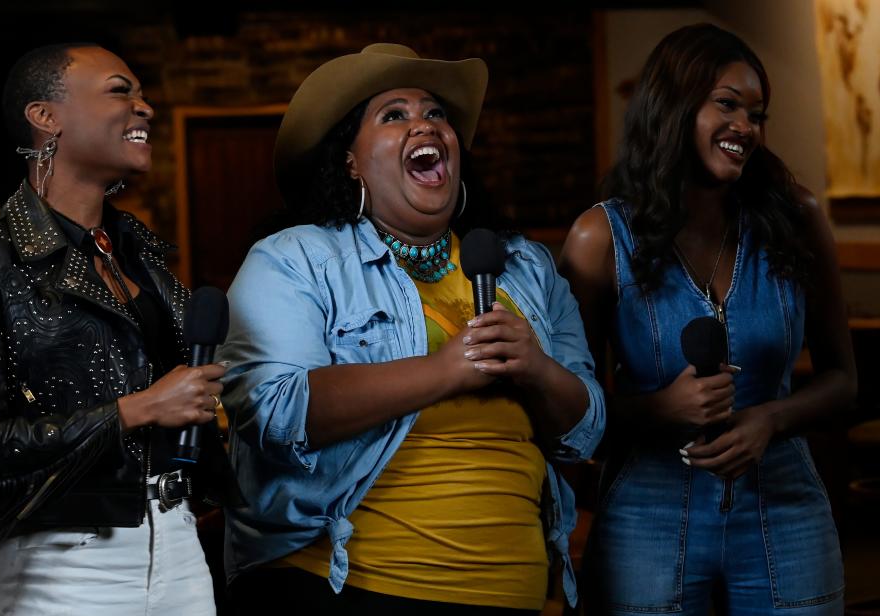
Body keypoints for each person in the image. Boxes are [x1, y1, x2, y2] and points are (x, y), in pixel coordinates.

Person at [216, 43, 605, 614]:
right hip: (347, 584)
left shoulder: (524, 266)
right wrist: (447, 368)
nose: (425, 123)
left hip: (514, 589)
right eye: (393, 114)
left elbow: (587, 430)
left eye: (436, 113)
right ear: (350, 160)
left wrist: (538, 369)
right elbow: (275, 411)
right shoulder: (296, 258)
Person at [0, 43, 230, 614]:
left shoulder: (138, 253)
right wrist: (135, 409)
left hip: (180, 546)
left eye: (142, 93)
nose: (146, 108)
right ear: (46, 117)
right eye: (121, 90)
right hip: (67, 559)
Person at [559, 24, 856, 615]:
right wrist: (657, 410)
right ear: (673, 105)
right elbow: (572, 408)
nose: (746, 126)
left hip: (784, 511)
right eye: (727, 103)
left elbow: (845, 383)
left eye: (756, 112)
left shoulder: (795, 218)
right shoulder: (600, 238)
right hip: (648, 513)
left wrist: (770, 418)